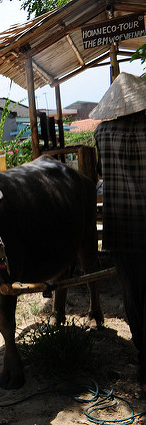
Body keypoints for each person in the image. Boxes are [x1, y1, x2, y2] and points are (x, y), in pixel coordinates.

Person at [92, 72, 146, 391]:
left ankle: (143, 362)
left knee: (133, 296)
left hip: (123, 230)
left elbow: (101, 172)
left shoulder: (101, 132)